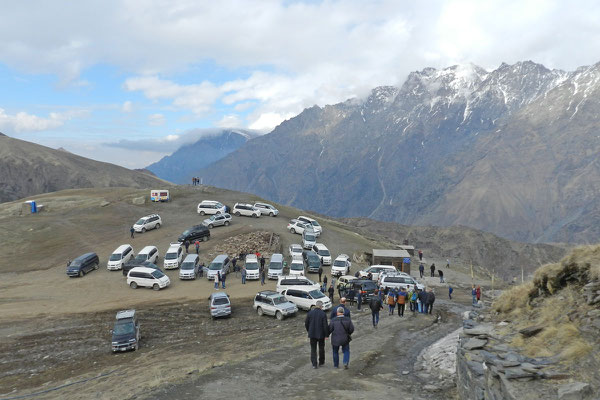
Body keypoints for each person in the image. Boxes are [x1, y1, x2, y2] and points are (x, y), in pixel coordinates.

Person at [305, 300, 329, 368]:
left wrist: (309, 331)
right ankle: (321, 362)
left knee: (313, 349)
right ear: (321, 306)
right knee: (321, 348)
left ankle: (314, 364)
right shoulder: (323, 314)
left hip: (312, 334)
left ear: (316, 305)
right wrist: (326, 334)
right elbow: (325, 325)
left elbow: (306, 323)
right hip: (321, 334)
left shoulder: (310, 313)